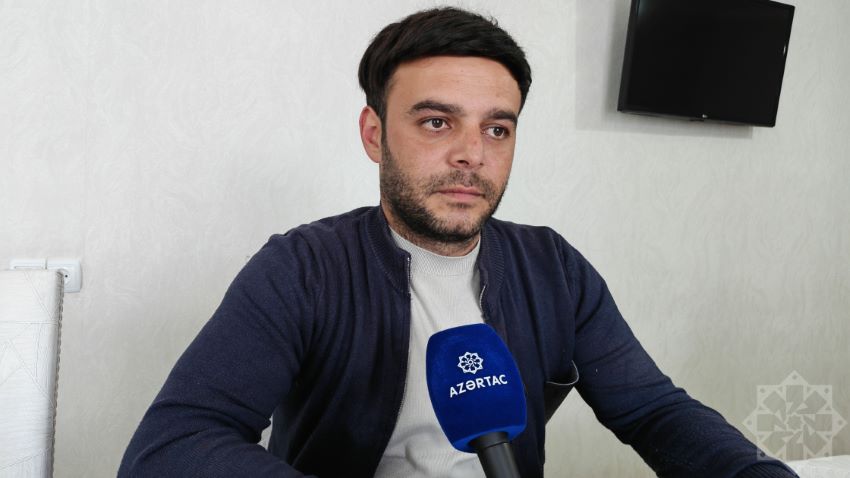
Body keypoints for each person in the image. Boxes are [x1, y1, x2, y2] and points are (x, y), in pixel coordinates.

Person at [119, 7, 797, 478]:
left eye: (497, 129)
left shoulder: (554, 268)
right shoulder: (302, 269)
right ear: (375, 135)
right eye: (437, 122)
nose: (472, 154)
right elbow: (172, 447)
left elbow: (654, 411)